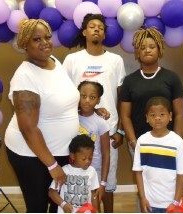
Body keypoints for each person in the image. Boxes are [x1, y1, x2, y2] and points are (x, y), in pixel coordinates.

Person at [5, 19, 79, 213]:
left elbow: (63, 100)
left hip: (59, 151)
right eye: (37, 39)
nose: (45, 42)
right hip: (32, 155)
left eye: (47, 37)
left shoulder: (54, 62)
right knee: (38, 207)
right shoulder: (25, 77)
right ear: (25, 45)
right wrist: (52, 165)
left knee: (58, 204)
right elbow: (28, 128)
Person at [63, 13, 128, 212]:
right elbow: (64, 96)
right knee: (79, 179)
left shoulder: (115, 60)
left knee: (105, 183)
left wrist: (121, 131)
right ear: (84, 32)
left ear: (105, 34)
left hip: (107, 131)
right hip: (78, 130)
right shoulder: (72, 59)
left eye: (100, 26)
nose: (97, 29)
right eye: (92, 26)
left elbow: (123, 99)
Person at [120, 27, 183, 154]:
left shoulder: (172, 77)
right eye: (142, 48)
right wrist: (133, 142)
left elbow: (179, 114)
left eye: (152, 46)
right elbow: (125, 116)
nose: (147, 50)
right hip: (140, 143)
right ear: (137, 53)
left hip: (168, 143)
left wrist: (177, 141)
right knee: (141, 175)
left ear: (159, 49)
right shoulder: (129, 81)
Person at [133, 96, 183, 213]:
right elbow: (138, 172)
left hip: (171, 203)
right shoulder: (142, 141)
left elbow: (182, 174)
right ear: (147, 118)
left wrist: (176, 201)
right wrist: (142, 198)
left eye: (162, 114)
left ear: (170, 116)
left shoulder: (177, 142)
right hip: (150, 203)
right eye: (153, 115)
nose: (157, 118)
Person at [76, 80, 110, 210]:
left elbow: (106, 154)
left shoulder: (101, 123)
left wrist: (103, 182)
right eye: (83, 96)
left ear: (98, 100)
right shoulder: (72, 117)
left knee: (94, 206)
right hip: (73, 170)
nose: (87, 101)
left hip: (94, 171)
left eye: (92, 97)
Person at [48, 135, 100, 213]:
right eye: (84, 159)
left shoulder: (92, 171)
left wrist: (96, 211)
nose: (88, 161)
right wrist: (63, 205)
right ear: (72, 156)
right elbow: (52, 192)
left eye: (90, 158)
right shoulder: (64, 171)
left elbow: (94, 195)